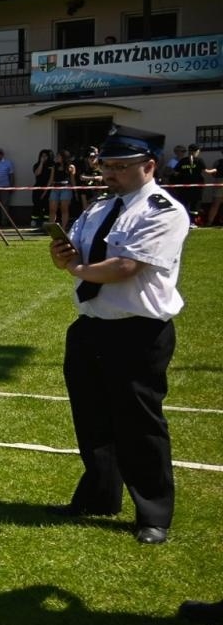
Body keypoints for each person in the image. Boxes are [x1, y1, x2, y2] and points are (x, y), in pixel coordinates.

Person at [47, 125, 191, 545]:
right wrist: (63, 256)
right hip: (91, 326)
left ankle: (153, 513)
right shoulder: (97, 208)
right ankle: (98, 495)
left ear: (149, 165)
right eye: (105, 165)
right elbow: (73, 253)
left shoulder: (163, 210)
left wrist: (76, 269)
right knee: (92, 420)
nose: (109, 173)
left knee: (140, 425)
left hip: (138, 331)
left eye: (119, 167)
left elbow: (125, 268)